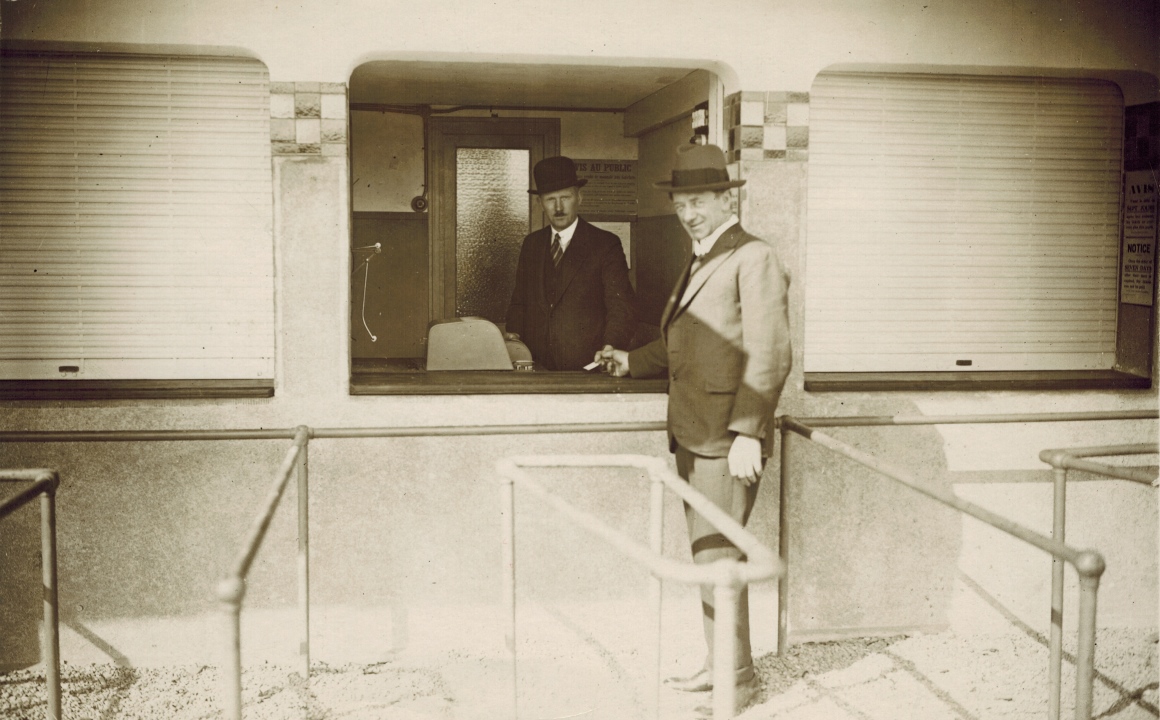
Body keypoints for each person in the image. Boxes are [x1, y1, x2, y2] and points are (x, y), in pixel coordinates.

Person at [596, 143, 791, 717]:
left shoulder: (752, 256)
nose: (688, 213)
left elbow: (770, 353)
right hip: (693, 435)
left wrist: (749, 433)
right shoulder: (702, 256)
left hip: (726, 442)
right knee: (710, 560)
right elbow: (687, 341)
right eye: (681, 202)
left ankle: (739, 686)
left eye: (699, 200)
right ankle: (722, 668)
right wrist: (632, 360)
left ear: (725, 198)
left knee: (718, 561)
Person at [505, 156, 636, 370]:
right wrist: (514, 335)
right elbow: (519, 301)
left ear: (579, 197)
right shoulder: (531, 244)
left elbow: (620, 305)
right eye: (550, 199)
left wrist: (611, 345)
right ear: (540, 204)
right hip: (536, 368)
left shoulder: (605, 244)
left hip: (587, 367)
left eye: (565, 197)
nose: (558, 207)